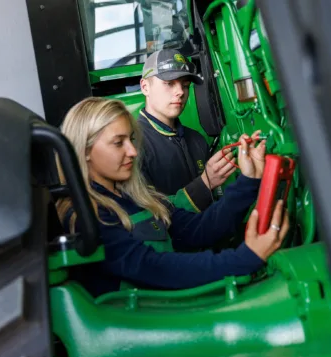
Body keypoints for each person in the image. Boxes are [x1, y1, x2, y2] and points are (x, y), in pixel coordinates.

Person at [57, 97, 289, 297]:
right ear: (85, 151)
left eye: (131, 139)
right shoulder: (85, 215)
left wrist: (248, 180)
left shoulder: (136, 197)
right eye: (119, 143)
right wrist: (243, 259)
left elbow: (200, 229)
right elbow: (153, 268)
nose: (133, 151)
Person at [139, 48, 236, 212]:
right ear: (145, 87)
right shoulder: (133, 146)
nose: (180, 92)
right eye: (169, 84)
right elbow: (149, 215)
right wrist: (206, 183)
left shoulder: (197, 140)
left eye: (185, 85)